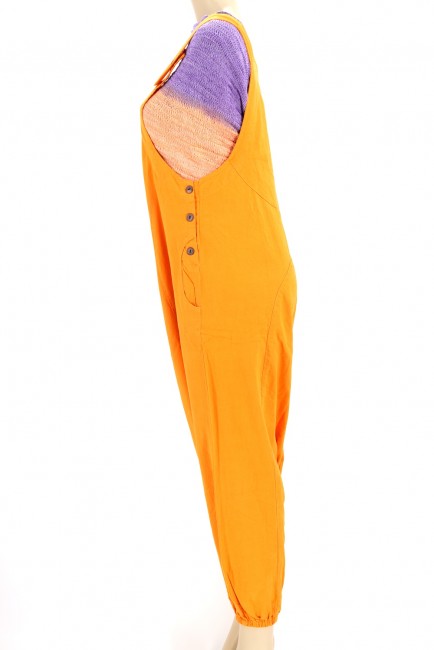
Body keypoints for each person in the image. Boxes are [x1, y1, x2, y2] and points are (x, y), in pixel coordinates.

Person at [140, 3, 297, 648]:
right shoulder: (219, 41)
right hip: (245, 280)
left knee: (240, 467)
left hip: (231, 295)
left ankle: (258, 629)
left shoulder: (216, 45)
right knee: (250, 458)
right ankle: (247, 613)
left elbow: (182, 136)